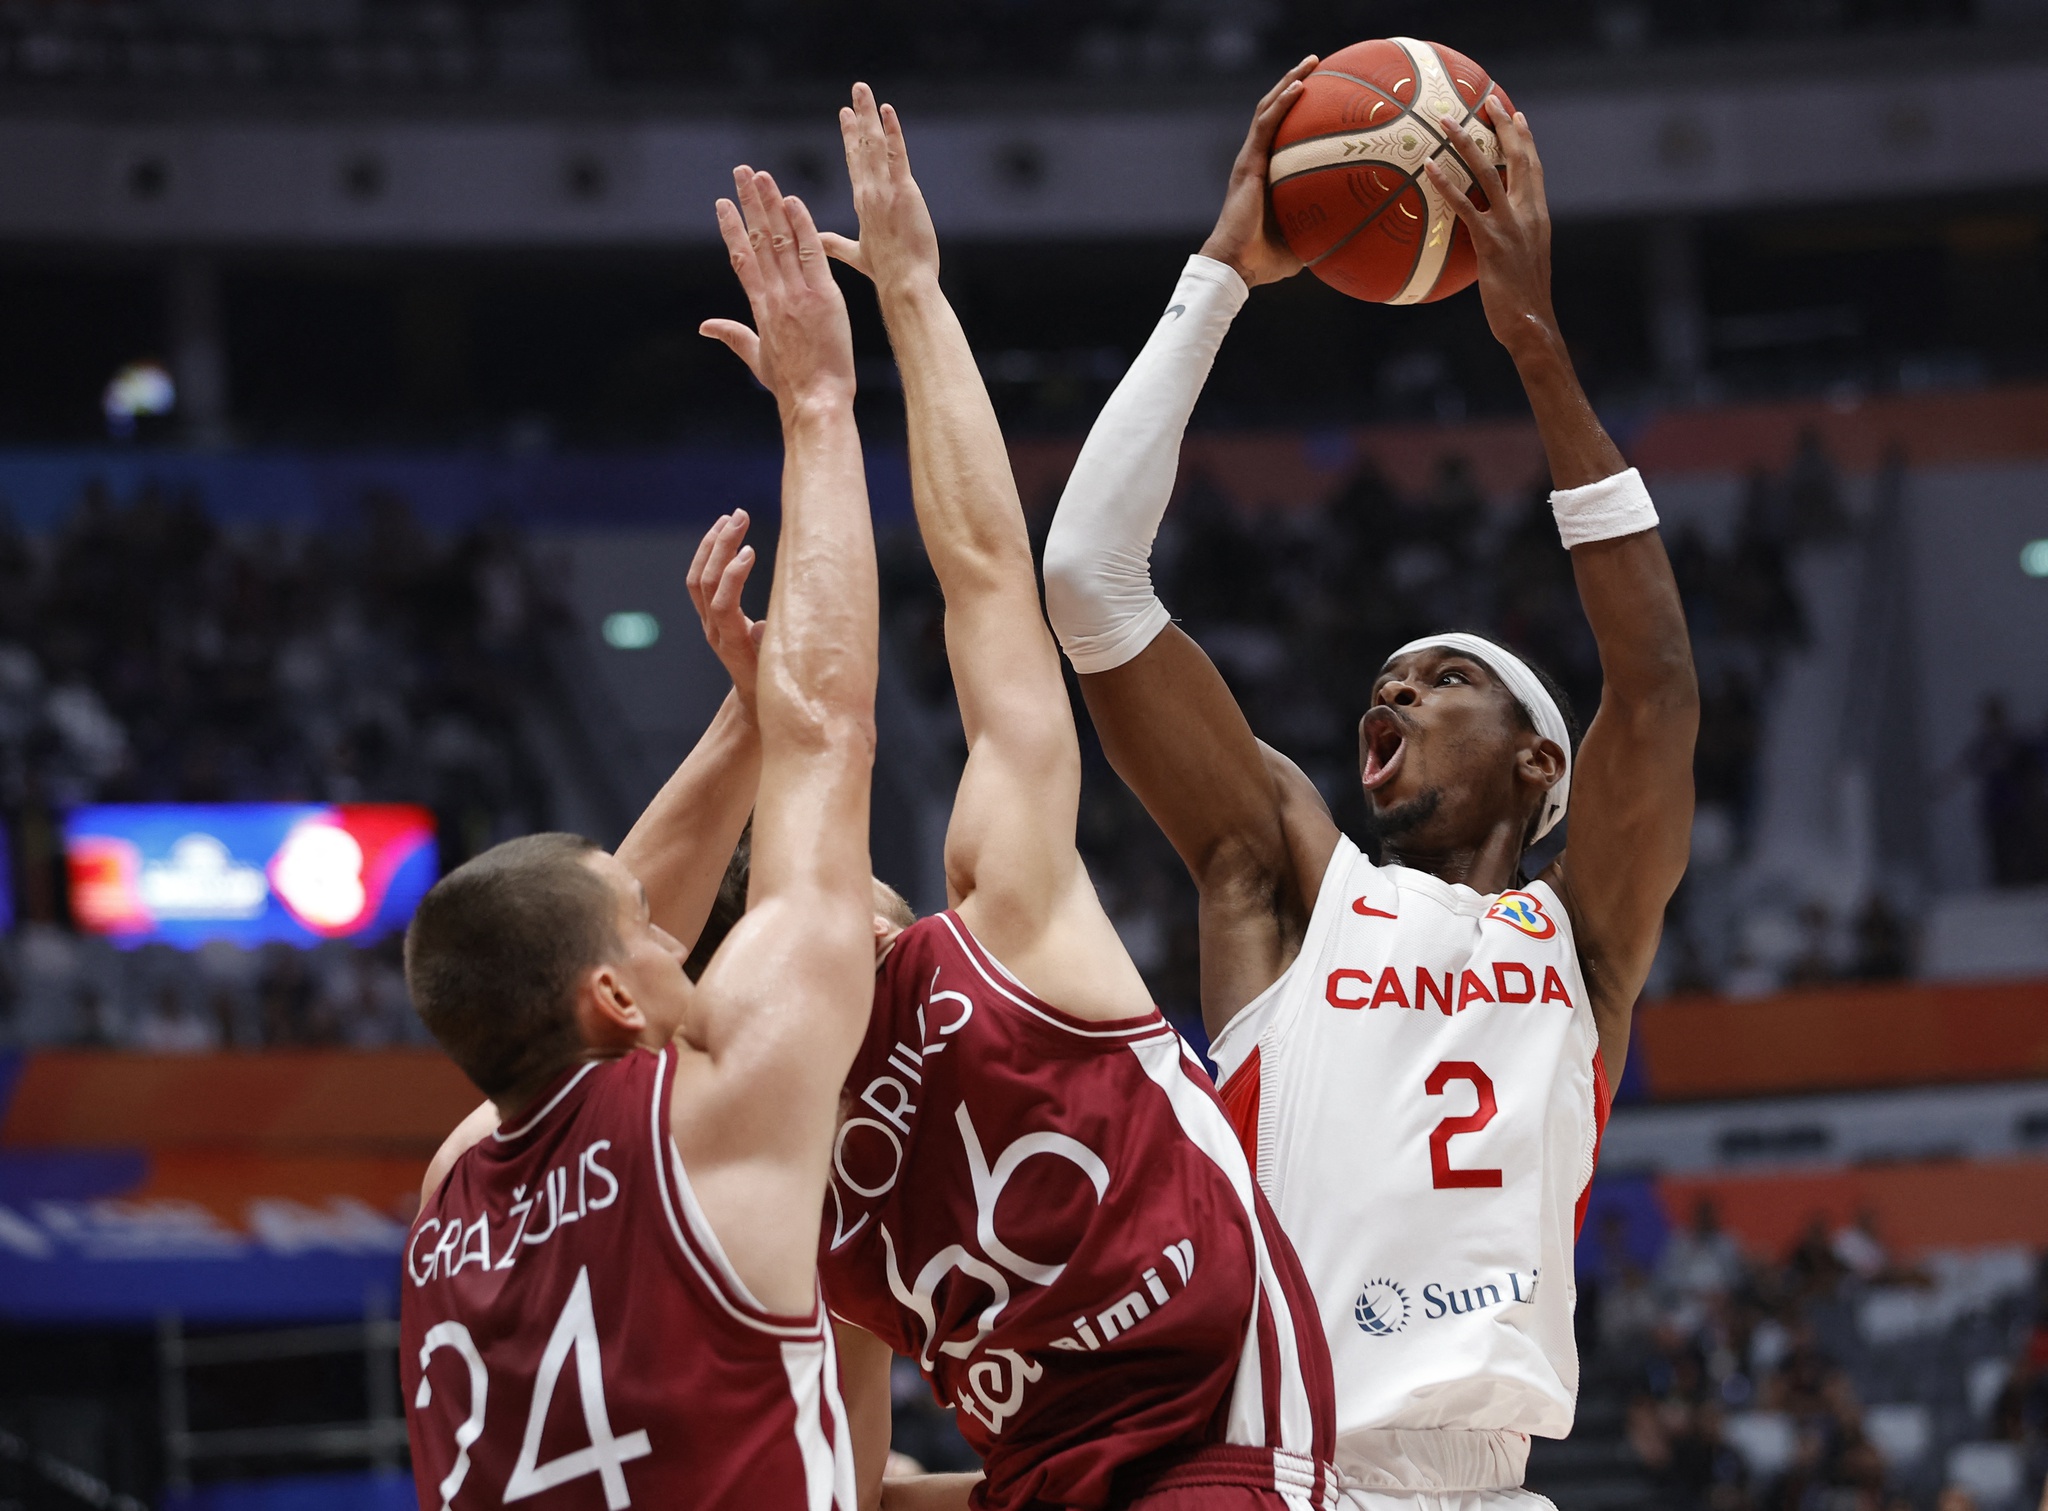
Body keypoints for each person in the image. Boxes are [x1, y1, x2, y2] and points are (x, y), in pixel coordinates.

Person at [1042, 65, 1699, 1511]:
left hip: (1501, 1485)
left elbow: (1653, 689)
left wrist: (1537, 352)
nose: (1392, 691)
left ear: (1543, 761)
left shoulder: (1581, 944)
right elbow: (1087, 583)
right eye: (1388, 680)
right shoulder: (1289, 880)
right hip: (1291, 1476)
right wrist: (1218, 274)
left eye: (1445, 678)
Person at [791, 84, 1333, 1511]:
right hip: (1219, 1456)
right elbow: (987, 581)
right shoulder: (993, 927)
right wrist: (910, 297)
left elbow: (848, 1480)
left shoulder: (783, 1167)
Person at [398, 166, 878, 1511]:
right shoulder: (718, 1114)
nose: (682, 927)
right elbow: (836, 738)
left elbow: (568, 936)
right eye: (656, 933)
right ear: (613, 991)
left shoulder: (447, 1196)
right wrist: (823, 409)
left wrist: (741, 718)